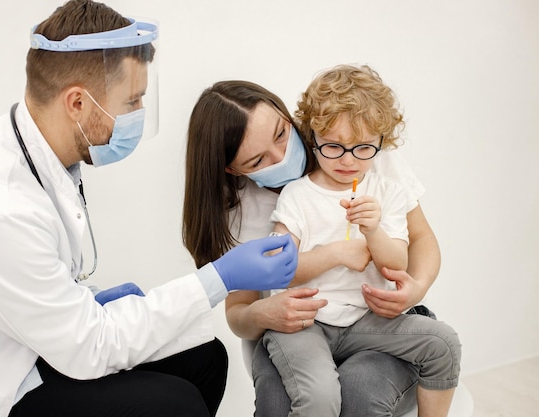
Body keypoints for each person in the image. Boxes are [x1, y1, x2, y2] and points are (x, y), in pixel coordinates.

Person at [0, 2, 299, 417]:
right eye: (131, 101)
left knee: (204, 358)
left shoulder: (41, 156)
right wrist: (218, 279)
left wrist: (84, 299)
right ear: (77, 103)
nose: (138, 114)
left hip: (32, 343)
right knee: (176, 405)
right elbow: (90, 349)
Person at [182, 78, 450, 416]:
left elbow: (421, 238)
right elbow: (239, 313)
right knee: (285, 404)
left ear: (288, 114)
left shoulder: (357, 149)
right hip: (300, 332)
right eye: (257, 161)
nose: (282, 156)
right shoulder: (242, 212)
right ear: (231, 168)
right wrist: (261, 313)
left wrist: (417, 287)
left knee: (359, 391)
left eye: (281, 133)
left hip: (372, 324)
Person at [262, 64, 461, 417]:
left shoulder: (387, 192)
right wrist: (335, 253)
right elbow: (281, 273)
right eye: (334, 146)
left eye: (363, 148)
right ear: (313, 136)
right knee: (320, 398)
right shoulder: (296, 196)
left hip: (364, 321)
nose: (348, 160)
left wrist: (373, 231)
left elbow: (397, 264)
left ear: (381, 143)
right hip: (306, 322)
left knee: (442, 342)